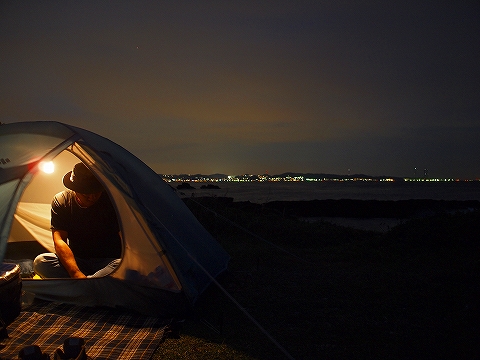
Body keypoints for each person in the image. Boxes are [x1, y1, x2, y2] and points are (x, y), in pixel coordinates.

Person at [34, 163, 122, 279]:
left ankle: (84, 286)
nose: (92, 197)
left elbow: (125, 237)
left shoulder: (112, 200)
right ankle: (95, 284)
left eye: (96, 193)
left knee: (121, 265)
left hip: (108, 262)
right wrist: (75, 273)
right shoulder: (62, 201)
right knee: (41, 262)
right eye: (86, 194)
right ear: (75, 189)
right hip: (78, 262)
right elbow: (59, 240)